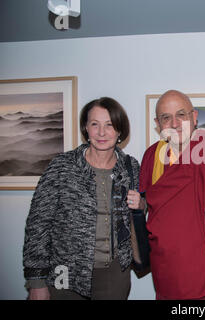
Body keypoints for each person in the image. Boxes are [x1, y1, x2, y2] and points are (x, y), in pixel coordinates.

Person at [23, 97, 144, 300]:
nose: (102, 132)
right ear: (86, 128)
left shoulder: (131, 167)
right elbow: (38, 224)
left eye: (110, 125)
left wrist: (141, 205)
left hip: (115, 275)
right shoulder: (63, 166)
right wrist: (37, 281)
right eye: (94, 124)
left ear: (120, 130)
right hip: (66, 272)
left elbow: (137, 212)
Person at [139, 90, 205, 299]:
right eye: (165, 117)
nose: (175, 123)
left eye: (181, 115)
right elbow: (147, 205)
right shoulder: (152, 156)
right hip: (165, 269)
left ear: (194, 117)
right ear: (157, 123)